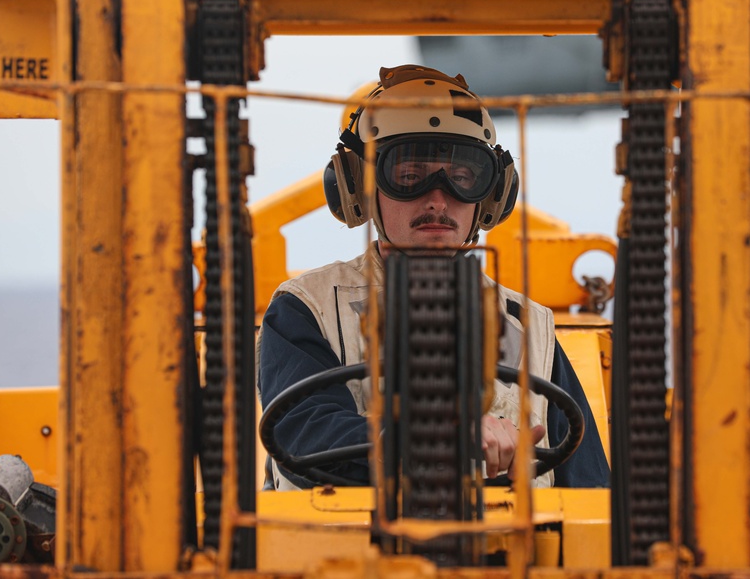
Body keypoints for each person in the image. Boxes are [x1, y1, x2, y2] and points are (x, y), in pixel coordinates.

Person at [258, 64, 609, 491]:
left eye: (462, 178)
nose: (439, 199)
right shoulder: (306, 306)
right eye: (408, 176)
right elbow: (303, 434)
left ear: (493, 196)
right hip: (342, 553)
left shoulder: (532, 324)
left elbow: (591, 492)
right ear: (361, 187)